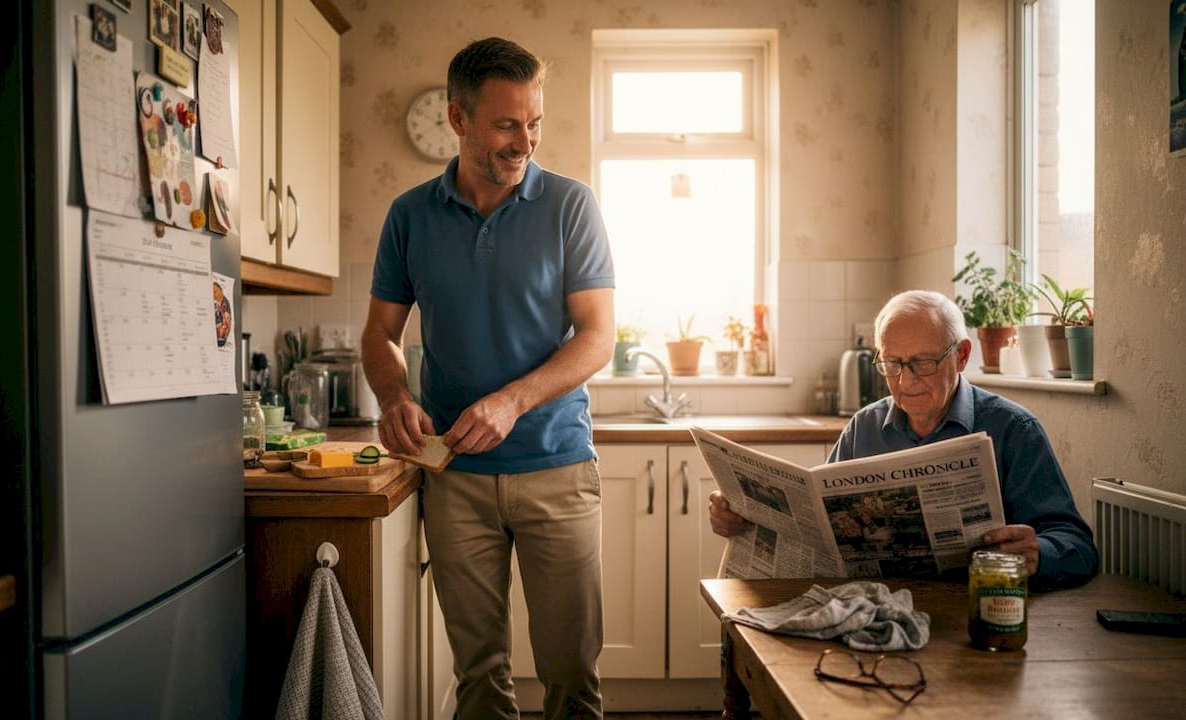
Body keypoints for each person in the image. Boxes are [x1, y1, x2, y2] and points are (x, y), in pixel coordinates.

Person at [360, 37, 616, 720]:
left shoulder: (570, 205)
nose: (523, 140)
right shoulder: (410, 215)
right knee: (478, 676)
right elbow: (379, 334)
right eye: (506, 123)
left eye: (534, 122)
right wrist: (394, 398)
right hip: (456, 479)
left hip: (557, 468)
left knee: (572, 678)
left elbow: (598, 336)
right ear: (459, 118)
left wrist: (513, 400)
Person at [708, 290, 1098, 589]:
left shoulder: (1014, 430)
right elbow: (818, 530)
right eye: (892, 364)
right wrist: (743, 517)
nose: (906, 381)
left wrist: (1039, 554)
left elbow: (1080, 548)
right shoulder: (864, 428)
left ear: (962, 356)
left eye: (923, 363)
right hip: (879, 616)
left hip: (975, 616)